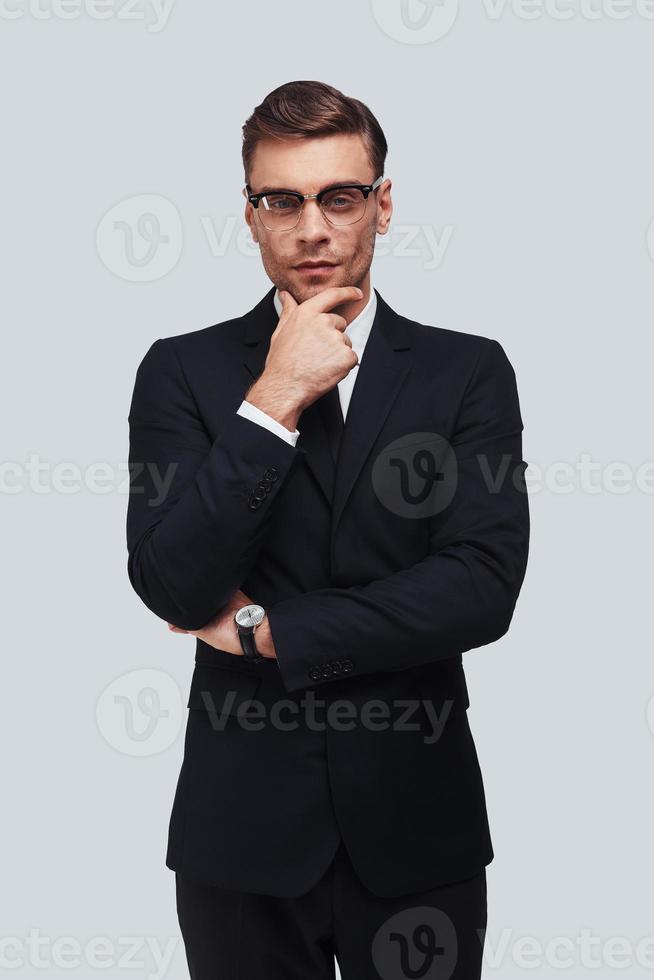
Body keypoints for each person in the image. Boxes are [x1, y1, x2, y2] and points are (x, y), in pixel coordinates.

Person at [126, 79, 530, 980]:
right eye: (284, 200)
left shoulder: (467, 374)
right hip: (243, 842)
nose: (312, 228)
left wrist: (269, 633)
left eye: (339, 197)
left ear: (382, 206)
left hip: (420, 830)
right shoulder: (182, 373)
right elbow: (171, 582)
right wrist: (273, 399)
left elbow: (480, 585)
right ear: (251, 215)